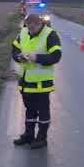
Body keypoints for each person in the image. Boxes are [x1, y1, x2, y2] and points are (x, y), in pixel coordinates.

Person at [11, 13, 62, 149]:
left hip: (42, 83)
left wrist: (37, 58)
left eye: (34, 24)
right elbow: (14, 49)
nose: (31, 27)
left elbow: (56, 56)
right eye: (29, 24)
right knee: (29, 110)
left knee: (43, 111)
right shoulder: (23, 32)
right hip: (26, 81)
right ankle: (29, 135)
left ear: (40, 24)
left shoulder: (50, 35)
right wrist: (18, 57)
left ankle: (41, 138)